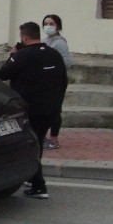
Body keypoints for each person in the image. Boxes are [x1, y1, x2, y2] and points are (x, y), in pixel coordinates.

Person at [0, 22, 68, 199]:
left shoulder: (22, 56)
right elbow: (64, 81)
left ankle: (39, 185)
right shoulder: (54, 55)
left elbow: (3, 74)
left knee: (29, 146)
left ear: (24, 37)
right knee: (36, 144)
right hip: (51, 109)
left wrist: (12, 55)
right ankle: (32, 176)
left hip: (30, 109)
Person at [42, 14, 73, 150]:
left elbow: (67, 62)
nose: (48, 26)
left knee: (55, 110)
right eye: (46, 23)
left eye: (51, 24)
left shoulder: (59, 43)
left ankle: (54, 139)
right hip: (45, 80)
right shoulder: (46, 41)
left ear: (58, 26)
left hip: (57, 80)